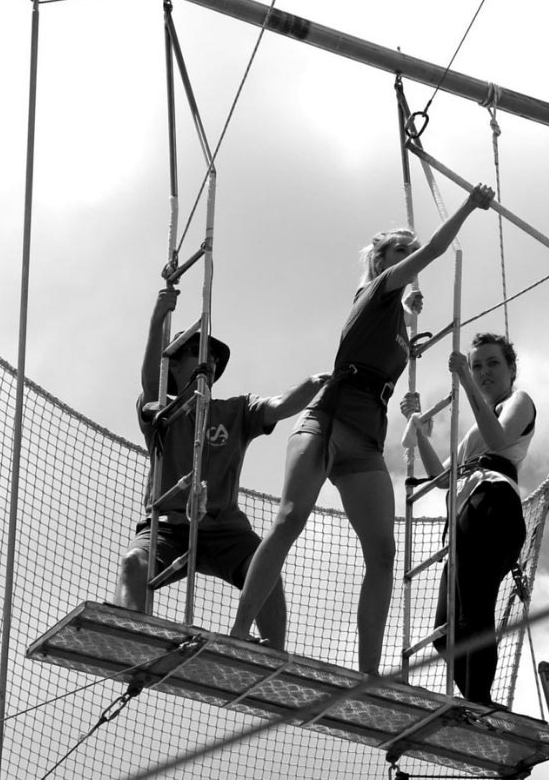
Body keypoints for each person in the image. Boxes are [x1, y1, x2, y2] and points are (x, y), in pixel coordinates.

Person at [230, 184, 496, 673]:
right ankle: (240, 631)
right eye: (401, 251)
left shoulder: (398, 319)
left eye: (410, 252)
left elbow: (391, 346)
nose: (411, 256)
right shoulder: (374, 291)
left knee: (384, 552)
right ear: (380, 262)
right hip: (327, 420)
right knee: (290, 518)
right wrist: (468, 205)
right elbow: (437, 250)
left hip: (367, 439)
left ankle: (368, 673)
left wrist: (409, 333)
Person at [116, 285, 327, 646]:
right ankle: (131, 637)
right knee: (134, 564)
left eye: (213, 357)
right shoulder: (159, 411)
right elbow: (151, 380)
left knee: (266, 570)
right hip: (168, 526)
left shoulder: (236, 411)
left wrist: (315, 384)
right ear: (176, 364)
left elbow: (277, 405)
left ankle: (273, 654)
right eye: (199, 353)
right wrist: (157, 320)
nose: (209, 362)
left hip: (225, 529)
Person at [400, 333, 534, 704]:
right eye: (477, 366)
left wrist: (462, 380)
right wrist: (419, 429)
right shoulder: (479, 423)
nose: (484, 372)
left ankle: (480, 697)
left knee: (474, 609)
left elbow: (498, 438)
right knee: (445, 630)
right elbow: (442, 479)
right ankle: (475, 697)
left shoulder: (518, 401)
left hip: (493, 505)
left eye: (492, 363)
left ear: (511, 370)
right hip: (468, 510)